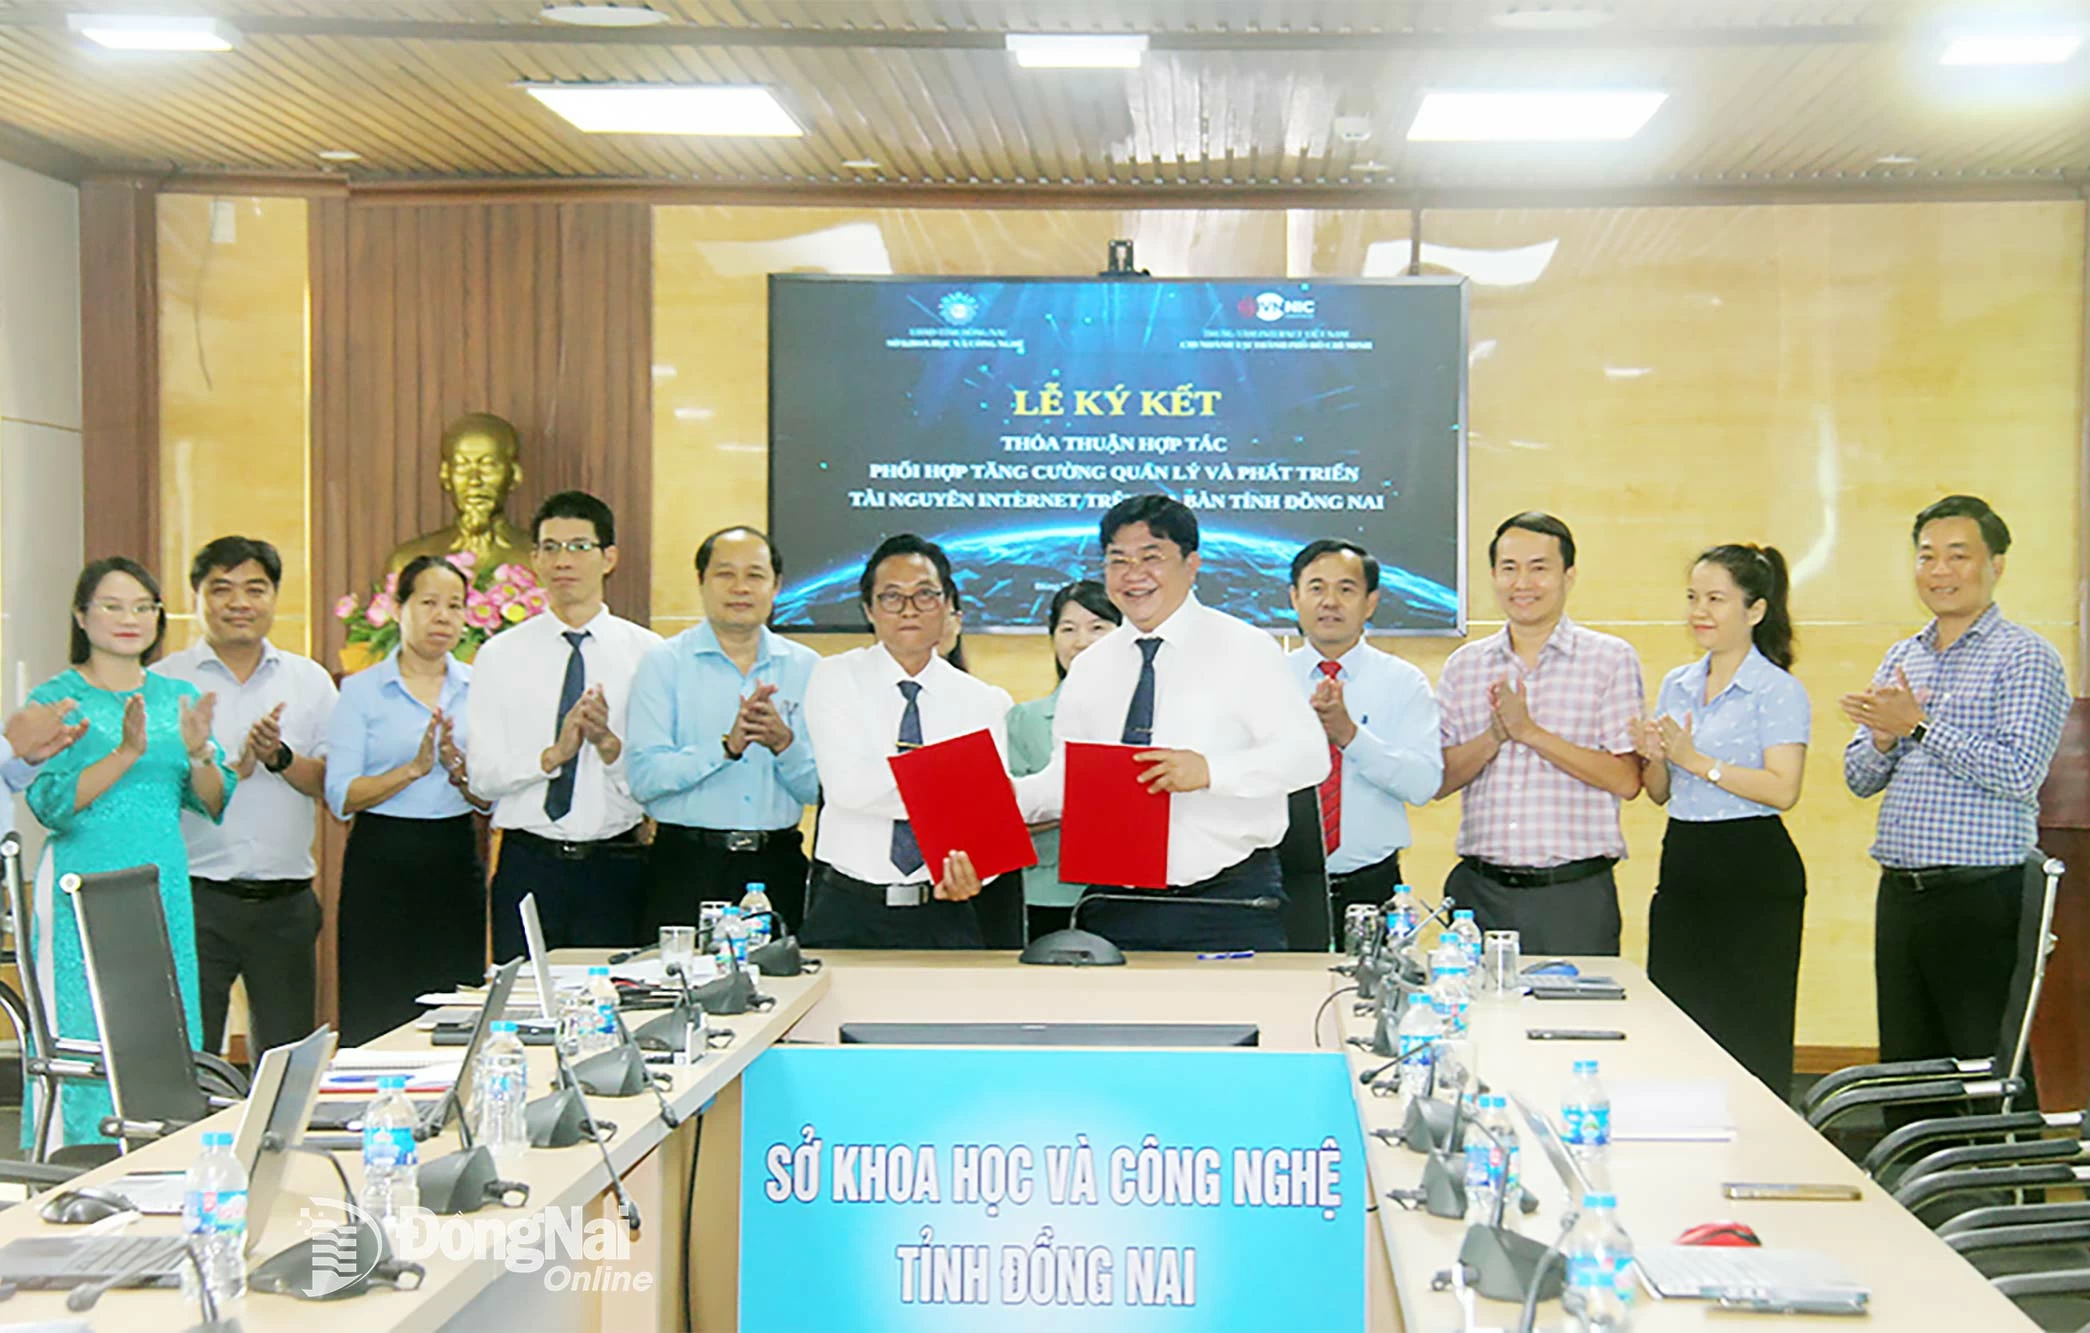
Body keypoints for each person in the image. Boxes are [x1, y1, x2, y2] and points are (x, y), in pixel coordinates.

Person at [1014, 495, 1328, 952]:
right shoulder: (1091, 667)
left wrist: (1209, 772)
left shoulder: (1246, 649)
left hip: (1227, 902)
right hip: (1116, 901)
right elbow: (1068, 780)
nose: (1133, 574)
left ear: (1192, 564)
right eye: (1117, 560)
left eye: (1151, 557)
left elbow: (1308, 758)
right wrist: (997, 798)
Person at [1842, 495, 2068, 1079]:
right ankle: (1910, 1173)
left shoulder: (2026, 657)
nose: (1939, 570)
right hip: (1901, 895)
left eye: (1958, 555)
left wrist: (1918, 726)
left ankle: (1996, 1172)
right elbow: (1858, 777)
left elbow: (2020, 773)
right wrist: (1887, 739)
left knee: (1981, 1068)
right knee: (1906, 1066)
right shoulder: (1903, 656)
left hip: (1981, 896)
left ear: (1996, 565)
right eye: (1927, 556)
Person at [24, 558, 235, 1146]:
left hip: (160, 882)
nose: (130, 619)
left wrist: (198, 755)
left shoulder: (178, 695)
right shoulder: (57, 699)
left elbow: (212, 803)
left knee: (160, 1024)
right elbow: (51, 806)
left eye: (144, 607)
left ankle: (160, 1150)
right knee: (86, 1024)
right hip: (79, 887)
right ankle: (77, 1154)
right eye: (113, 606)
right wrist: (124, 753)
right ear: (80, 616)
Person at [153, 536, 338, 1062]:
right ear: (196, 597)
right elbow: (155, 792)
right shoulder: (164, 683)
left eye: (255, 589)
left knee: (286, 1062)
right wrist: (218, 766)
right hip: (195, 898)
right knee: (190, 1057)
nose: (240, 603)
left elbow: (332, 785)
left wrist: (278, 757)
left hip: (285, 903)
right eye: (222, 589)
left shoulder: (310, 681)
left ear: (274, 597)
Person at [1634, 545, 1810, 1094]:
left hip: (1753, 869)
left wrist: (1694, 760)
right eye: (1693, 598)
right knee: (1678, 1026)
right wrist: (1655, 758)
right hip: (1685, 862)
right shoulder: (1677, 683)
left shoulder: (1778, 690)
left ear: (1755, 611)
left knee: (1750, 1032)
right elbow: (1660, 794)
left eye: (1715, 599)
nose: (1699, 611)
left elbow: (1784, 788)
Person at [1435, 513, 1644, 955]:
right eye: (1509, 568)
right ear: (1493, 575)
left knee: (1573, 1023)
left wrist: (1529, 732)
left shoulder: (1609, 659)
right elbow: (1439, 781)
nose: (1522, 582)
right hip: (1479, 897)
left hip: (1572, 897)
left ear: (1569, 576)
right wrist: (1494, 736)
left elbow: (1627, 780)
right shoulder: (1465, 665)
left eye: (1539, 567)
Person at [801, 534, 1022, 949]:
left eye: (924, 595)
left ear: (946, 605)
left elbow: (993, 817)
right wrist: (957, 786)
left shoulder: (984, 701)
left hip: (945, 909)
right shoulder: (834, 678)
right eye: (891, 597)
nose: (908, 609)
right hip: (848, 906)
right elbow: (848, 788)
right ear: (869, 609)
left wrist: (977, 870)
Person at [469, 491, 662, 958]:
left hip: (616, 864)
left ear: (608, 558)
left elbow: (657, 784)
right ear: (534, 559)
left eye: (579, 547)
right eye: (550, 548)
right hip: (528, 863)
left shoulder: (650, 655)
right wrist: (552, 756)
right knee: (525, 1007)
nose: (563, 561)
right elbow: (482, 778)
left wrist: (608, 745)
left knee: (613, 1008)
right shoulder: (499, 655)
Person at [628, 527, 820, 938]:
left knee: (782, 991)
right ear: (700, 581)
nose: (740, 588)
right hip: (686, 866)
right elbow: (644, 779)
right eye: (725, 574)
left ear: (776, 586)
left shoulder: (808, 669)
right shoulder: (663, 664)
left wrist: (784, 745)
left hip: (776, 864)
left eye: (754, 575)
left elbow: (819, 791)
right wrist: (726, 748)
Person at [326, 555, 485, 1045]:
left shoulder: (479, 688)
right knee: (377, 1006)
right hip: (382, 858)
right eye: (429, 603)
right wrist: (413, 769)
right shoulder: (362, 691)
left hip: (454, 856)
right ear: (399, 608)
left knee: (452, 1008)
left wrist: (461, 777)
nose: (443, 617)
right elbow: (340, 794)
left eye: (455, 606)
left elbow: (488, 798)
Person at [1287, 540, 1443, 926]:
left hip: (1372, 886)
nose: (1329, 601)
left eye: (1346, 589)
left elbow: (1423, 784)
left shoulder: (1403, 682)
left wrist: (1350, 736)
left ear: (1370, 603)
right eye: (1317, 588)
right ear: (1295, 597)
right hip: (1281, 885)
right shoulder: (1269, 678)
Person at [1006, 580, 1121, 940]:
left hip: (1129, 891)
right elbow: (1006, 816)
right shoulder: (1023, 719)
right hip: (1047, 894)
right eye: (1067, 629)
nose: (1081, 641)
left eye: (1097, 627)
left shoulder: (1147, 718)